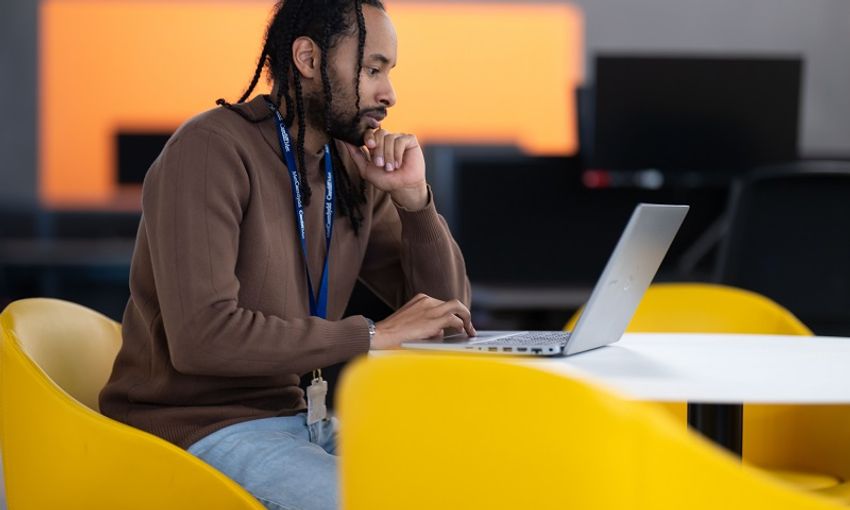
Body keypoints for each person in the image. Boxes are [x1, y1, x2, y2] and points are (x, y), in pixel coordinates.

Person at [99, 1, 474, 508]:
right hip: (200, 429)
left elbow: (448, 317)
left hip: (300, 421)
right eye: (372, 69)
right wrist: (370, 335)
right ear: (308, 59)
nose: (389, 94)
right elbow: (202, 339)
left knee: (465, 484)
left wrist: (415, 203)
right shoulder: (209, 149)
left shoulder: (349, 168)